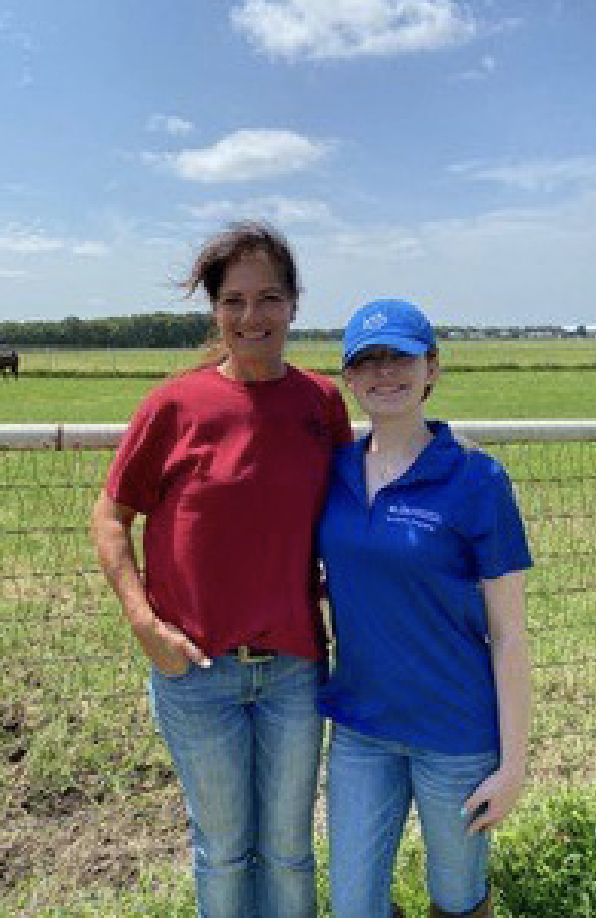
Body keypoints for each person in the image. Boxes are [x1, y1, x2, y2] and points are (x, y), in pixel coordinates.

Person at [91, 222, 352, 918]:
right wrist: (144, 624)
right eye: (233, 300)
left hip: (295, 669)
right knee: (224, 849)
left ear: (295, 304)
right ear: (215, 309)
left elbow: (348, 520)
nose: (251, 317)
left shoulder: (321, 405)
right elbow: (110, 518)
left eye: (268, 298)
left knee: (291, 850)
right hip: (197, 673)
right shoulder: (174, 406)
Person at [316, 299, 532, 918]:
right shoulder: (333, 473)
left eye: (401, 357)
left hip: (455, 736)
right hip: (361, 728)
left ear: (432, 368)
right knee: (353, 904)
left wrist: (513, 766)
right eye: (368, 361)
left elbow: (511, 634)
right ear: (349, 379)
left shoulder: (476, 479)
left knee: (458, 901)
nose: (385, 373)